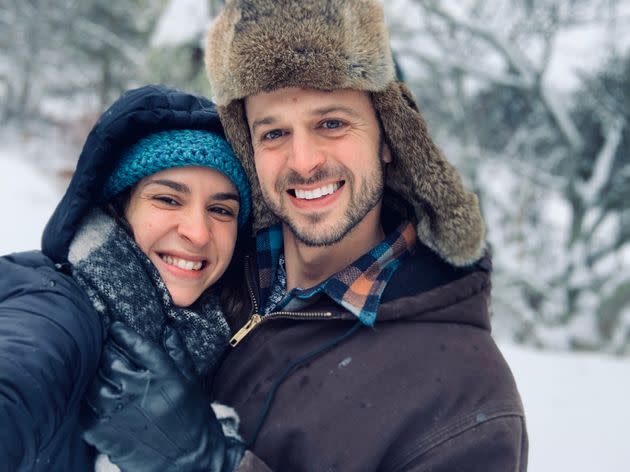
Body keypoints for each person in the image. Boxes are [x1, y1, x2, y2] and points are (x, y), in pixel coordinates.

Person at [84, 1, 528, 471]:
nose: (303, 161)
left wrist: (205, 464)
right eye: (273, 133)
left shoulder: (467, 401)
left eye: (331, 124)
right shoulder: (205, 268)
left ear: (388, 138)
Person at [0, 84, 251, 471]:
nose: (198, 233)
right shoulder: (58, 304)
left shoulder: (228, 335)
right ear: (119, 208)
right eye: (168, 199)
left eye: (221, 210)